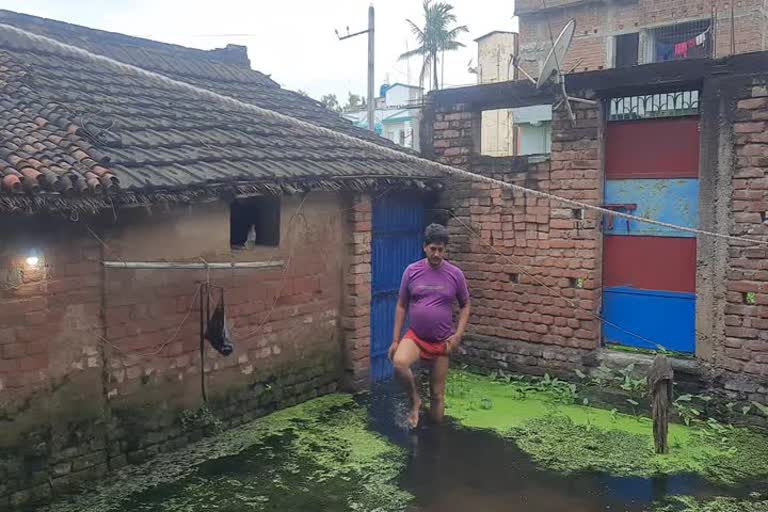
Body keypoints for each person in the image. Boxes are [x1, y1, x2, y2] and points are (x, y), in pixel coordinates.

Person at [388, 223, 471, 428]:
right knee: (399, 363)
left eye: (441, 250)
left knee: (437, 395)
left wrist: (458, 335)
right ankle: (415, 400)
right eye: (433, 249)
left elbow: (466, 305)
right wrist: (396, 339)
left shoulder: (455, 274)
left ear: (445, 249)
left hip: (442, 343)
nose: (437, 254)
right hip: (416, 337)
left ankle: (436, 436)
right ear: (425, 246)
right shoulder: (412, 271)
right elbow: (401, 305)